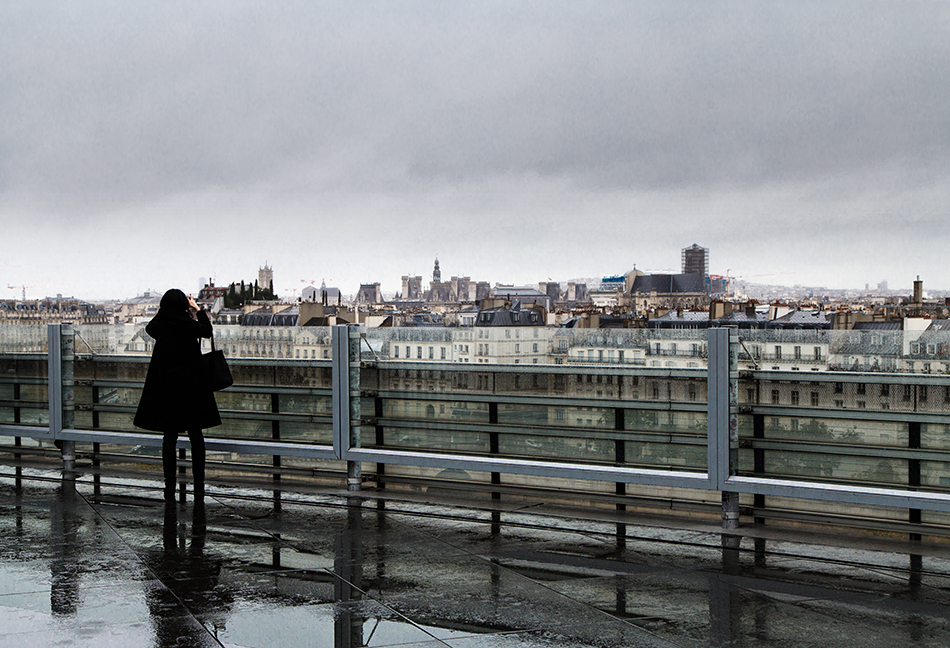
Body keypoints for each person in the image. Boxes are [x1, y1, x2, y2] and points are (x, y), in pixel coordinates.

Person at [134, 288, 221, 502]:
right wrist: (196, 309)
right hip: (191, 388)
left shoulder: (160, 325)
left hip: (168, 389)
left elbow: (150, 327)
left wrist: (164, 311)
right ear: (183, 304)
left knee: (169, 438)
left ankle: (169, 482)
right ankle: (198, 481)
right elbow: (207, 331)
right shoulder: (188, 323)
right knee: (196, 437)